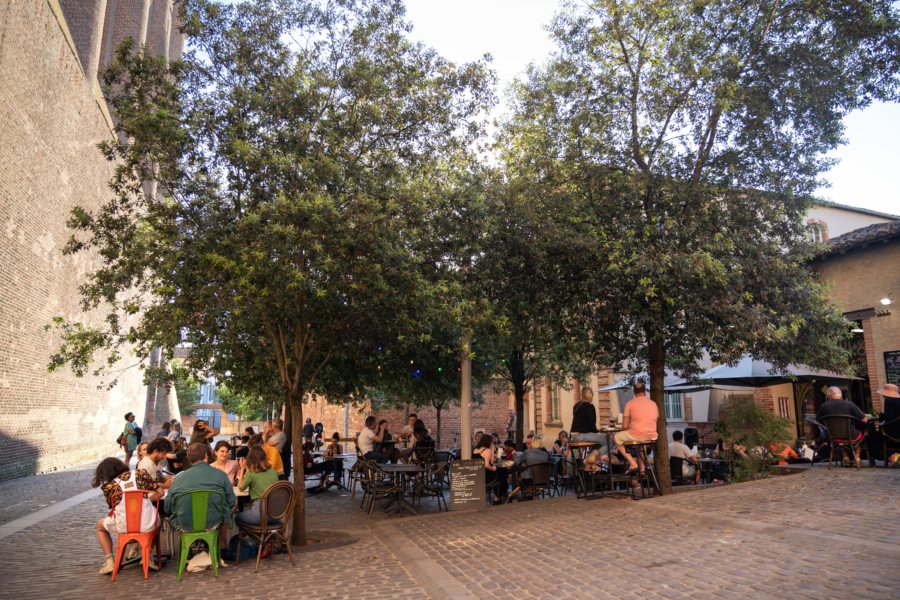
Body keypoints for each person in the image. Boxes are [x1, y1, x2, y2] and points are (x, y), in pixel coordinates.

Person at [92, 457, 159, 574]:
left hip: (124, 526)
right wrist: (144, 500)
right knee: (157, 521)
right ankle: (147, 556)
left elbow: (115, 506)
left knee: (99, 526)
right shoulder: (140, 474)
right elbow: (160, 493)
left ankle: (109, 561)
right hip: (149, 523)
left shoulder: (109, 487)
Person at [165, 443, 236, 534]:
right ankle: (221, 543)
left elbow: (167, 507)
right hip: (214, 524)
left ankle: (187, 545)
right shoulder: (221, 475)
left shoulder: (178, 478)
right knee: (224, 511)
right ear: (206, 456)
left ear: (189, 458)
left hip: (185, 525)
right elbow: (231, 502)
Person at [614, 382, 659, 474]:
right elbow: (655, 421)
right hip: (652, 436)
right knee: (640, 445)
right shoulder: (653, 403)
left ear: (634, 393)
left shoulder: (630, 403)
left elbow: (625, 426)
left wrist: (631, 425)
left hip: (638, 434)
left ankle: (633, 463)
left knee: (616, 437)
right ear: (645, 392)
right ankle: (642, 469)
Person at [816, 385, 869, 463]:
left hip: (833, 436)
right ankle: (857, 457)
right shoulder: (849, 404)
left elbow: (817, 420)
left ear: (829, 396)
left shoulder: (824, 406)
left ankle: (845, 456)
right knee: (861, 435)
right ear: (840, 394)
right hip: (851, 435)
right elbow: (864, 420)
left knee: (841, 440)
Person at [235, 446, 279, 525]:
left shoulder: (252, 472)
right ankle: (261, 536)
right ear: (264, 457)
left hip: (259, 514)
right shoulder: (273, 471)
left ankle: (254, 537)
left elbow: (240, 488)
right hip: (276, 514)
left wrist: (242, 469)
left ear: (250, 459)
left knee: (238, 517)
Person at [570, 388, 608, 455]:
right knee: (608, 441)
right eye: (591, 393)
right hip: (582, 435)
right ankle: (592, 459)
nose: (593, 395)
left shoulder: (576, 405)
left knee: (597, 442)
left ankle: (584, 461)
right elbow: (592, 424)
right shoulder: (589, 406)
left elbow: (581, 421)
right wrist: (598, 432)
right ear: (586, 394)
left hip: (573, 436)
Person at [868, 383, 900, 463]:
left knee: (873, 436)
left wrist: (880, 413)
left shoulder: (889, 401)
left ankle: (890, 457)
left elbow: (888, 417)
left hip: (893, 432)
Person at [473, 434, 507, 503]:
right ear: (488, 442)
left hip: (478, 475)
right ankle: (498, 497)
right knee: (502, 473)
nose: (492, 442)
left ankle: (498, 495)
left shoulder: (476, 450)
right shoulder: (487, 450)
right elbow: (487, 464)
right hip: (486, 476)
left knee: (500, 472)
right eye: (491, 441)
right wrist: (493, 468)